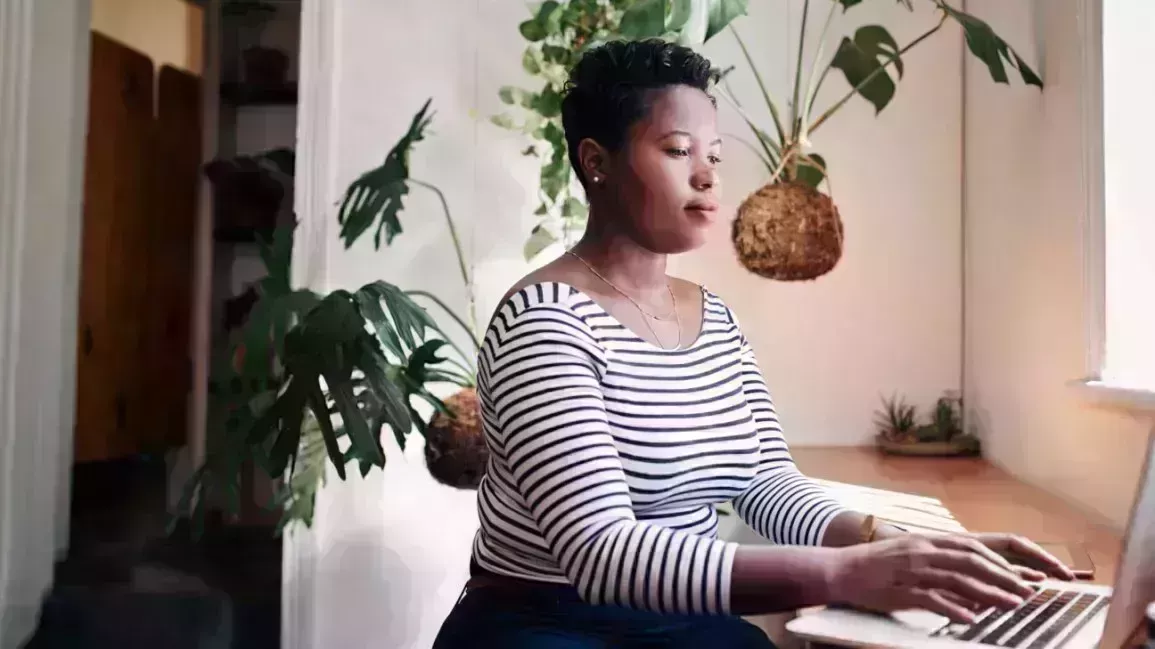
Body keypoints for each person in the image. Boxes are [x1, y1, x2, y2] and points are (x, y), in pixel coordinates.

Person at [432, 39, 1075, 648]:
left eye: (714, 155)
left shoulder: (715, 319)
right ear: (596, 162)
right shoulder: (543, 321)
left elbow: (765, 481)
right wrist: (849, 575)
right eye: (679, 150)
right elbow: (603, 554)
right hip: (548, 626)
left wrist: (902, 544)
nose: (708, 177)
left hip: (679, 622)